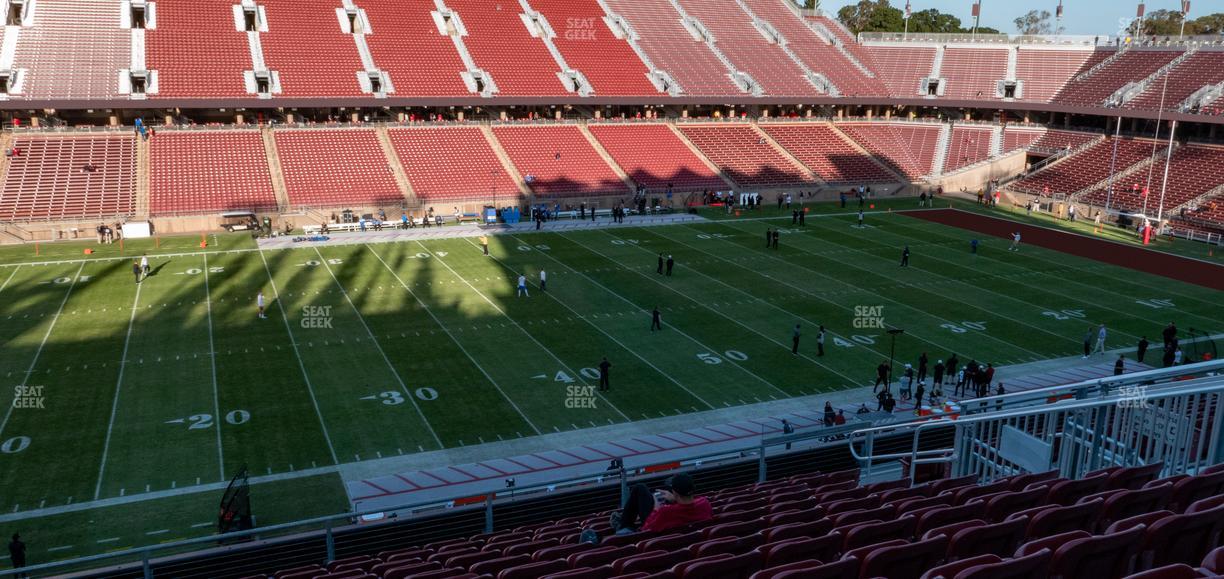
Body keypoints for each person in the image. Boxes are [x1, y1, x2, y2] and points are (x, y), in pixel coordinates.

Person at [639, 473, 712, 533]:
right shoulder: (704, 503)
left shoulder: (665, 511)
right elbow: (689, 506)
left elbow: (645, 530)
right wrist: (675, 500)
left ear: (674, 492)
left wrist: (655, 509)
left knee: (640, 488)